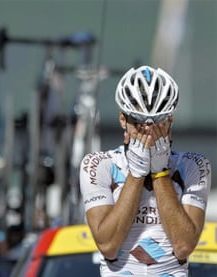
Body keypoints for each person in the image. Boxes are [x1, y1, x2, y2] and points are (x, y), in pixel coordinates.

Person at [79, 65, 211, 276]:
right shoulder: (99, 164)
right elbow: (108, 245)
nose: (149, 130)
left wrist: (160, 173)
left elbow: (183, 246)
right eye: (139, 122)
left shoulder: (193, 165)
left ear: (170, 120)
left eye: (158, 122)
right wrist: (136, 173)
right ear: (123, 120)